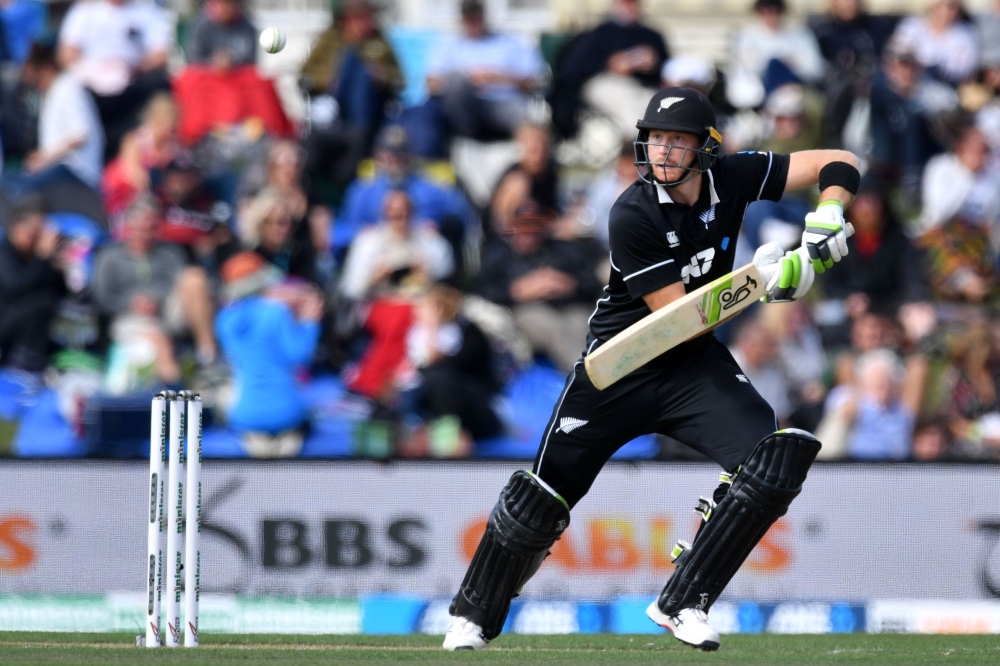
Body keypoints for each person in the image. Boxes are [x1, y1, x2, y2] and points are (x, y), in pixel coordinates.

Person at [443, 86, 861, 652]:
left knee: (771, 462)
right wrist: (766, 280)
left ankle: (684, 601)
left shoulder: (733, 176)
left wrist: (828, 213)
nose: (662, 150)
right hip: (621, 366)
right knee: (540, 500)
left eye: (676, 140)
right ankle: (471, 616)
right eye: (655, 138)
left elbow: (840, 161)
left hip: (693, 369)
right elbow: (679, 318)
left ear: (705, 147)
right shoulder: (632, 212)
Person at [216, 251, 323, 458]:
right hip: (287, 413)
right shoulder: (276, 312)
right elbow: (299, 356)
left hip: (246, 416)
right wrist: (310, 323)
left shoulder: (224, 320)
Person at [92, 196, 219, 366]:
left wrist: (156, 300)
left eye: (152, 227)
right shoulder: (109, 257)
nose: (147, 232)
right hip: (129, 316)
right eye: (142, 227)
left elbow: (180, 286)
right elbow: (102, 297)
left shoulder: (171, 252)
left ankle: (208, 353)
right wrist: (131, 304)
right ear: (129, 225)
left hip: (167, 309)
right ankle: (172, 380)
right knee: (157, 341)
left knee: (194, 278)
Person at [476, 201, 602, 373]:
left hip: (569, 306)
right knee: (550, 327)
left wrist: (570, 284)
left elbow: (593, 283)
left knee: (581, 324)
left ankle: (600, 372)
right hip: (526, 311)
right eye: (524, 225)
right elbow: (480, 292)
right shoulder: (499, 256)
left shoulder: (563, 249)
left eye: (534, 224)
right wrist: (515, 291)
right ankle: (583, 374)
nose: (530, 231)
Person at [336, 126, 475, 261]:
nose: (395, 159)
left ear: (410, 154)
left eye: (400, 152)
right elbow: (344, 228)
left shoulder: (432, 188)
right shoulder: (362, 191)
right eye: (389, 152)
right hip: (377, 255)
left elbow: (464, 215)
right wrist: (362, 232)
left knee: (437, 246)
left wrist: (438, 228)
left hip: (421, 251)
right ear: (377, 154)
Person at [57, 0, 172, 158]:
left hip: (133, 86)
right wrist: (92, 70)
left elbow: (160, 55)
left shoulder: (147, 11)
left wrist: (134, 67)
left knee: (159, 84)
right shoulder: (85, 11)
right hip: (92, 89)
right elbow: (66, 53)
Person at [425, 0, 545, 141]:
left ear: (484, 16)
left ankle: (534, 149)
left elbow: (538, 83)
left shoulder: (513, 42)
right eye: (468, 18)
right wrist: (468, 81)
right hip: (466, 109)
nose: (473, 22)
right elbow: (432, 83)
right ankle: (466, 140)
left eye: (476, 17)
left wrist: (496, 77)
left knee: (530, 124)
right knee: (456, 81)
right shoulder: (449, 44)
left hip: (505, 103)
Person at [402, 283, 504, 444]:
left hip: (476, 410)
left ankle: (449, 437)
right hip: (444, 404)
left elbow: (435, 363)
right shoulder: (418, 332)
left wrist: (433, 328)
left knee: (438, 380)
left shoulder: (465, 334)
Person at [555, 0, 670, 140]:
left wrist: (654, 63)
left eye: (633, 3)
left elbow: (668, 68)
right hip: (606, 82)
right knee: (629, 108)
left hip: (644, 86)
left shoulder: (651, 35)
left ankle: (653, 145)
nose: (630, 7)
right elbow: (575, 69)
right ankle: (638, 146)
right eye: (626, 3)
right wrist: (609, 64)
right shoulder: (599, 33)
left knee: (657, 106)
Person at [18, 41, 104, 191]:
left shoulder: (68, 87)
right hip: (60, 170)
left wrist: (45, 158)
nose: (36, 87)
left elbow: (79, 135)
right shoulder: (54, 92)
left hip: (77, 173)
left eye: (36, 81)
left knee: (20, 188)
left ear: (46, 68)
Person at [0, 196, 66, 372]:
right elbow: (16, 288)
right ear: (17, 227)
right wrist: (41, 257)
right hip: (5, 320)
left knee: (48, 301)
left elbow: (60, 293)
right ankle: (23, 361)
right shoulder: (4, 253)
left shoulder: (36, 258)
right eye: (34, 232)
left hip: (28, 328)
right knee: (41, 303)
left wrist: (56, 265)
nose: (37, 238)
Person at [891, 0, 978, 85]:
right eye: (949, 5)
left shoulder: (965, 33)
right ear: (934, 6)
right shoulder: (911, 27)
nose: (954, 11)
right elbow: (895, 57)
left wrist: (936, 70)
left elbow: (966, 70)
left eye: (957, 7)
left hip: (945, 85)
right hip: (908, 82)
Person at [186, 0, 258, 69]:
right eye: (223, 3)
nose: (227, 8)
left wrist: (232, 61)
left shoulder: (247, 27)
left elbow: (250, 58)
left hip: (238, 74)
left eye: (230, 3)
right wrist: (213, 62)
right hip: (207, 74)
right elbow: (194, 56)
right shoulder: (201, 25)